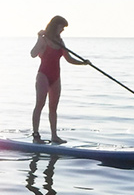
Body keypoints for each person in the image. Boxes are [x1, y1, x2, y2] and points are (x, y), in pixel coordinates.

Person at [29, 15, 89, 144]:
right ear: (55, 26)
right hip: (43, 75)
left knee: (53, 108)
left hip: (56, 77)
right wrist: (39, 38)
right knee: (40, 104)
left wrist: (83, 63)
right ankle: (36, 136)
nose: (62, 30)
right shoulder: (44, 40)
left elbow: (69, 59)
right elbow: (33, 54)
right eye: (62, 27)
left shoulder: (60, 42)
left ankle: (54, 136)